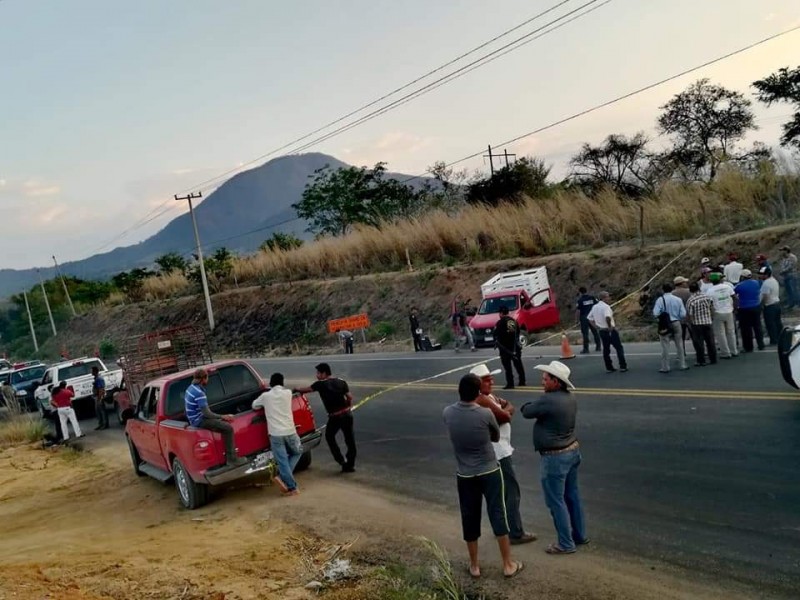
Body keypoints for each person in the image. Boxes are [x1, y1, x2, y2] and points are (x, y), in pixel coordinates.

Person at [443, 373, 523, 579]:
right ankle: (507, 564)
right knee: (498, 513)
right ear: (477, 393)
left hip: (465, 473)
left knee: (470, 516)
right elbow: (495, 435)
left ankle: (475, 565)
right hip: (489, 469)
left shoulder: (448, 413)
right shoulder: (485, 414)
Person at [521, 361, 588, 555]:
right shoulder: (569, 397)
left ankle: (565, 544)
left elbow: (526, 411)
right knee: (572, 495)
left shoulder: (548, 400)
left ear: (556, 382)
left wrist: (535, 401)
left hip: (555, 458)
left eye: (545, 379)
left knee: (556, 501)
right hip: (572, 451)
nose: (542, 381)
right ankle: (579, 535)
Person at [470, 364, 537, 546]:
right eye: (486, 379)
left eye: (490, 378)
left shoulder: (488, 397)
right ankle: (515, 531)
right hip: (499, 452)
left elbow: (509, 406)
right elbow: (506, 415)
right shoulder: (482, 400)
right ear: (477, 384)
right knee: (511, 492)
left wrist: (504, 409)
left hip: (499, 450)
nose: (491, 381)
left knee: (500, 493)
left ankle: (502, 529)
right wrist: (504, 410)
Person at [294, 363, 356, 473]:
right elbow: (350, 397)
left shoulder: (320, 384)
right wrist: (347, 405)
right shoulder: (341, 381)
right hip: (347, 414)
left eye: (318, 373)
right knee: (350, 439)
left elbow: (306, 390)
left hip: (335, 417)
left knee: (329, 436)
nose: (317, 375)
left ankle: (340, 460)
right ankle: (350, 465)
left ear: (324, 373)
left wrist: (296, 389)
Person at [252, 373, 301, 496]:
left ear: (271, 383)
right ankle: (289, 484)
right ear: (282, 382)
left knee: (282, 461)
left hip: (275, 434)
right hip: (290, 431)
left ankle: (289, 484)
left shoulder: (266, 396)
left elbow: (254, 405)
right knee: (297, 452)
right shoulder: (288, 393)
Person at [184, 368, 246, 467]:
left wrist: (218, 418)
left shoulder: (190, 388)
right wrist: (223, 416)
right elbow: (207, 414)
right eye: (207, 377)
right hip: (199, 420)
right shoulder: (199, 393)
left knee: (220, 422)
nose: (208, 380)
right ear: (203, 379)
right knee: (228, 428)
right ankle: (232, 459)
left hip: (194, 418)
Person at [588, 291, 627, 373]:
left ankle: (609, 367)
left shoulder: (595, 307)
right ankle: (623, 366)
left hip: (602, 330)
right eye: (608, 296)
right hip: (610, 330)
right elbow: (608, 317)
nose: (609, 298)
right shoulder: (606, 307)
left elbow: (590, 318)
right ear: (603, 298)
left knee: (606, 349)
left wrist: (596, 327)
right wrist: (609, 327)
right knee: (619, 348)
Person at [653, 283, 688, 373]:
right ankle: (682, 364)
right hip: (676, 322)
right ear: (671, 289)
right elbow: (683, 314)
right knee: (679, 344)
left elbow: (655, 313)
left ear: (663, 290)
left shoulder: (660, 300)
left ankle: (665, 367)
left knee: (665, 346)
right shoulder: (678, 299)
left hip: (664, 324)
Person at [494, 306, 525, 389]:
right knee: (518, 365)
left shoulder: (500, 323)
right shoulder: (512, 321)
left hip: (505, 349)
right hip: (514, 347)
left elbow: (497, 335)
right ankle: (522, 381)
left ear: (501, 313)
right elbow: (514, 333)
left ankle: (510, 383)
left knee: (508, 367)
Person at [734, 270, 765, 353]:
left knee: (746, 329)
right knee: (757, 326)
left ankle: (748, 347)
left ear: (742, 277)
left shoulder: (739, 286)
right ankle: (761, 344)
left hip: (744, 308)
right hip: (756, 306)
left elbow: (734, 294)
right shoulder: (757, 283)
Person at [708, 272, 738, 359]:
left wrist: (711, 314)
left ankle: (725, 352)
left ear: (711, 281)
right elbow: (735, 297)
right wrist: (735, 308)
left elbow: (710, 304)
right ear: (720, 279)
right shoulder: (727, 287)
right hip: (729, 311)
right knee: (731, 332)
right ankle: (734, 351)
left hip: (718, 312)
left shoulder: (710, 291)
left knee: (720, 334)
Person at [686, 282, 717, 366]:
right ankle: (713, 359)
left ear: (690, 290)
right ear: (699, 288)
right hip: (707, 321)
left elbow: (690, 314)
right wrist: (711, 317)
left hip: (697, 323)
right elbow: (712, 308)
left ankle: (701, 360)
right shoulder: (707, 296)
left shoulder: (691, 300)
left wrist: (690, 323)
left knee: (699, 343)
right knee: (710, 342)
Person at [759, 266, 783, 346]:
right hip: (777, 304)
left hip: (769, 305)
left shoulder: (766, 283)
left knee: (770, 324)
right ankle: (781, 338)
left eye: (762, 274)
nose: (760, 276)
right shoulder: (774, 280)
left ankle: (774, 340)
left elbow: (765, 295)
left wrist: (761, 305)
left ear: (766, 275)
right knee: (777, 323)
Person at [575, 287, 601, 354]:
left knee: (585, 334)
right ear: (586, 291)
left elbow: (578, 311)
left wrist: (577, 320)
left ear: (580, 292)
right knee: (595, 332)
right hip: (592, 317)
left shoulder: (580, 300)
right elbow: (598, 305)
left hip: (584, 318)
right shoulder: (592, 298)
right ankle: (598, 347)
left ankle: (586, 349)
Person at [671, 276, 692, 352]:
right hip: (689, 317)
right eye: (685, 282)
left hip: (678, 318)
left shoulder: (672, 294)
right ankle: (699, 352)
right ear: (681, 283)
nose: (686, 283)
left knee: (680, 337)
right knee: (695, 336)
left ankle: (681, 352)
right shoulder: (688, 292)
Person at [778, 245, 798, 309]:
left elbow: (790, 267)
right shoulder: (784, 258)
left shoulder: (792, 257)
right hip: (786, 277)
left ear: (786, 251)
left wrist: (782, 271)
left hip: (792, 276)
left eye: (782, 250)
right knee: (788, 291)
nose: (781, 252)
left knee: (794, 290)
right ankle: (790, 304)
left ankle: (797, 304)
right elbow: (782, 266)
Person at [91, 366, 108, 431]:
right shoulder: (96, 378)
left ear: (95, 371)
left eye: (92, 371)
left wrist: (100, 398)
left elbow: (101, 389)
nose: (91, 372)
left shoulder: (99, 379)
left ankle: (104, 424)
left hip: (99, 396)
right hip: (97, 396)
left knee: (102, 411)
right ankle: (101, 424)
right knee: (98, 411)